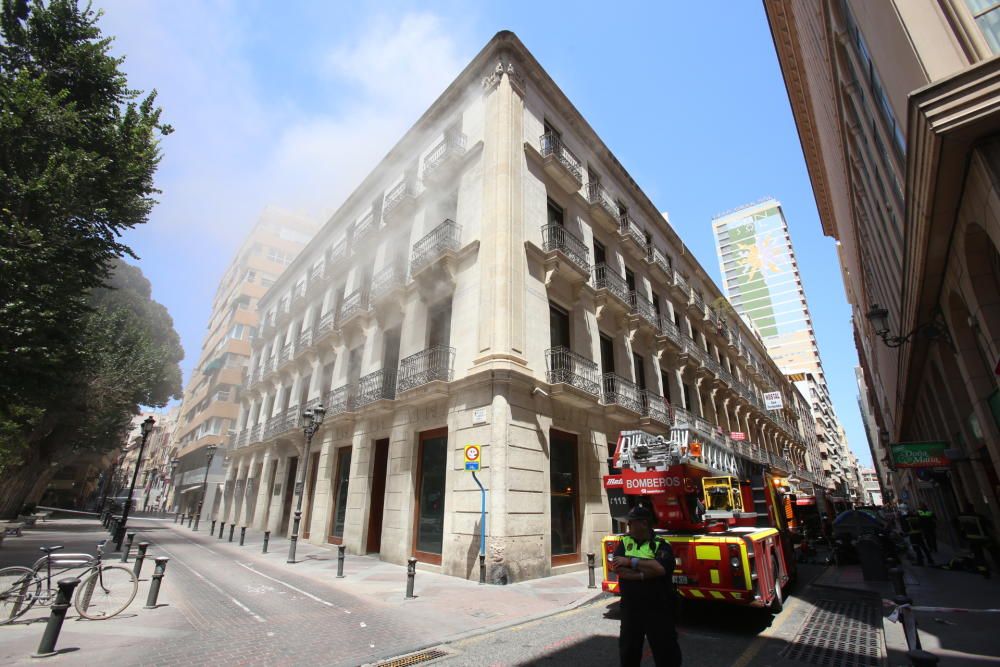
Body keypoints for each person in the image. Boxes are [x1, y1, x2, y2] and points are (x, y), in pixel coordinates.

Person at [611, 505, 682, 667]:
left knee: (666, 652)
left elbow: (660, 569)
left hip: (658, 608)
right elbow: (619, 570)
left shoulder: (661, 545)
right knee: (629, 651)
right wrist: (645, 573)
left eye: (631, 523)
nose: (627, 526)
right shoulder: (625, 542)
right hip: (631, 609)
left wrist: (630, 562)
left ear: (643, 523)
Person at [955, 503, 993, 577]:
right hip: (984, 539)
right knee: (994, 552)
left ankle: (984, 573)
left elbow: (954, 523)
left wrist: (962, 534)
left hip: (972, 540)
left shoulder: (961, 516)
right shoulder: (978, 516)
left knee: (979, 557)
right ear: (973, 508)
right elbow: (989, 525)